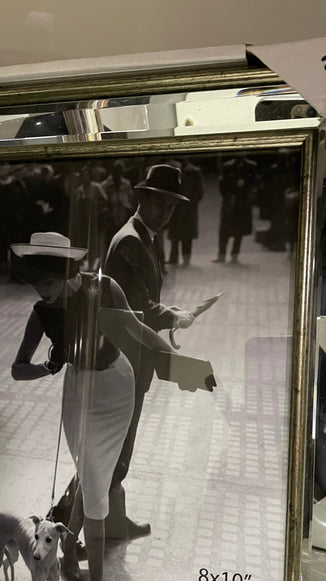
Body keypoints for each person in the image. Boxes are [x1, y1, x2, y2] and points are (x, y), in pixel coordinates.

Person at [9, 231, 193, 581]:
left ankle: (85, 577)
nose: (42, 291)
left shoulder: (104, 288)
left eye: (47, 282)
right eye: (36, 284)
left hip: (117, 387)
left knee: (93, 481)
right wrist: (48, 366)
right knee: (92, 479)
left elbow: (137, 329)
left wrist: (182, 366)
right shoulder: (42, 312)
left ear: (66, 271)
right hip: (78, 391)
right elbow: (18, 369)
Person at [103, 164, 196, 540]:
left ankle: (111, 521)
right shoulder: (131, 241)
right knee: (111, 446)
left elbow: (140, 299)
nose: (166, 213)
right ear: (141, 198)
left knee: (117, 445)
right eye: (160, 204)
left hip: (130, 356)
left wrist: (169, 312)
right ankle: (74, 525)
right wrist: (173, 317)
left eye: (171, 207)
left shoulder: (142, 235)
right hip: (123, 358)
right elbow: (138, 308)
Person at [167, 158, 204, 266]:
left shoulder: (194, 172)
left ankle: (186, 259)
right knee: (174, 235)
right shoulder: (172, 170)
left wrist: (191, 203)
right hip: (176, 208)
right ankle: (173, 258)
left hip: (188, 209)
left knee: (187, 236)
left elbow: (200, 191)